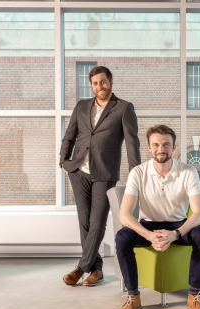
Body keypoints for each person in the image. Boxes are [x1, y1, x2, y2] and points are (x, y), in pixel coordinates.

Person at [115, 125, 200, 309]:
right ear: (149, 147)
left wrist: (175, 234)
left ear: (174, 147)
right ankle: (133, 296)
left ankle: (194, 296)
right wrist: (149, 235)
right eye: (156, 144)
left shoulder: (188, 171)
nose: (161, 149)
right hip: (148, 225)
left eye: (166, 144)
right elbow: (124, 215)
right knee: (122, 237)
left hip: (178, 224)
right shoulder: (138, 172)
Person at [59, 66, 141, 286]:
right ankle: (96, 269)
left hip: (105, 173)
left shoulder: (124, 108)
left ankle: (80, 268)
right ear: (92, 85)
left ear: (110, 83)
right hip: (78, 171)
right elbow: (69, 136)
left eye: (103, 82)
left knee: (97, 222)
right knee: (84, 223)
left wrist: (136, 175)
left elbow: (132, 144)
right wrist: (63, 161)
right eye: (95, 83)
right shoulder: (82, 106)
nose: (99, 86)